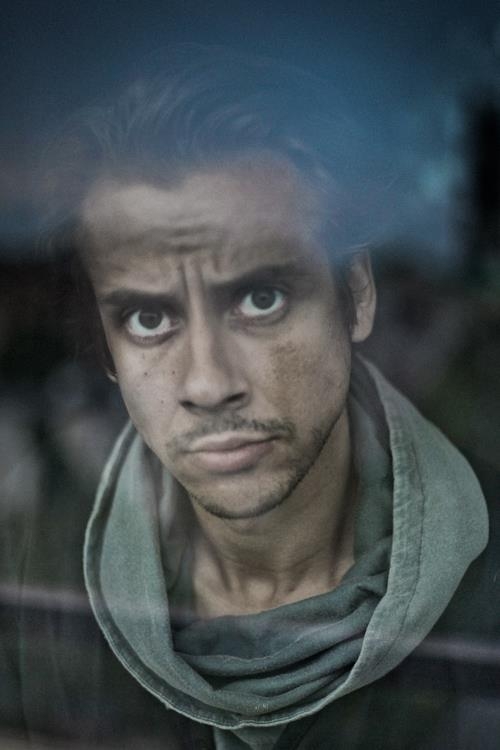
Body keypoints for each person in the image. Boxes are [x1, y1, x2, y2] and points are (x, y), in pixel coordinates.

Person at [1, 48, 499, 750]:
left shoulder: (485, 593)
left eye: (261, 299)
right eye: (147, 318)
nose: (208, 383)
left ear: (356, 297)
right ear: (108, 353)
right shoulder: (36, 567)